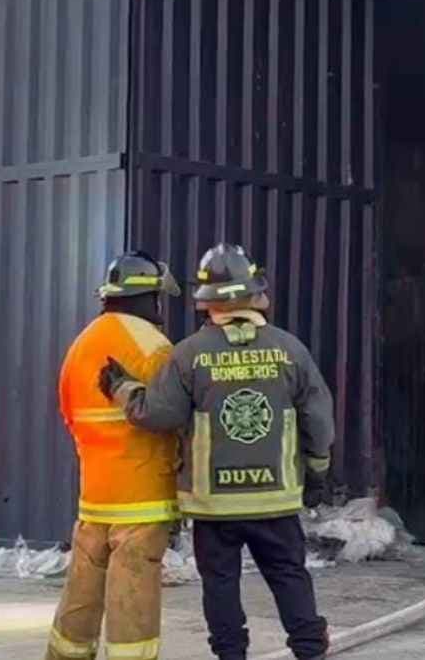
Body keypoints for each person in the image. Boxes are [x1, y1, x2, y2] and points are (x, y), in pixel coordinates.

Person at [99, 243, 332, 660]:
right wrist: (317, 472)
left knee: (220, 586)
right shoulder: (289, 350)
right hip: (274, 502)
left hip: (214, 507)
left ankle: (230, 655)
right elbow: (318, 420)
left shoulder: (189, 354)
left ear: (205, 302)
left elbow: (157, 414)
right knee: (289, 576)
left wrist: (121, 388)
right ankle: (310, 650)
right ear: (256, 295)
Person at [45, 251, 182, 660]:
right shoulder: (155, 347)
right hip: (142, 501)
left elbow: (69, 413)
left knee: (81, 597)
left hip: (94, 497)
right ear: (150, 298)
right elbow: (173, 416)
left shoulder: (81, 344)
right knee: (132, 606)